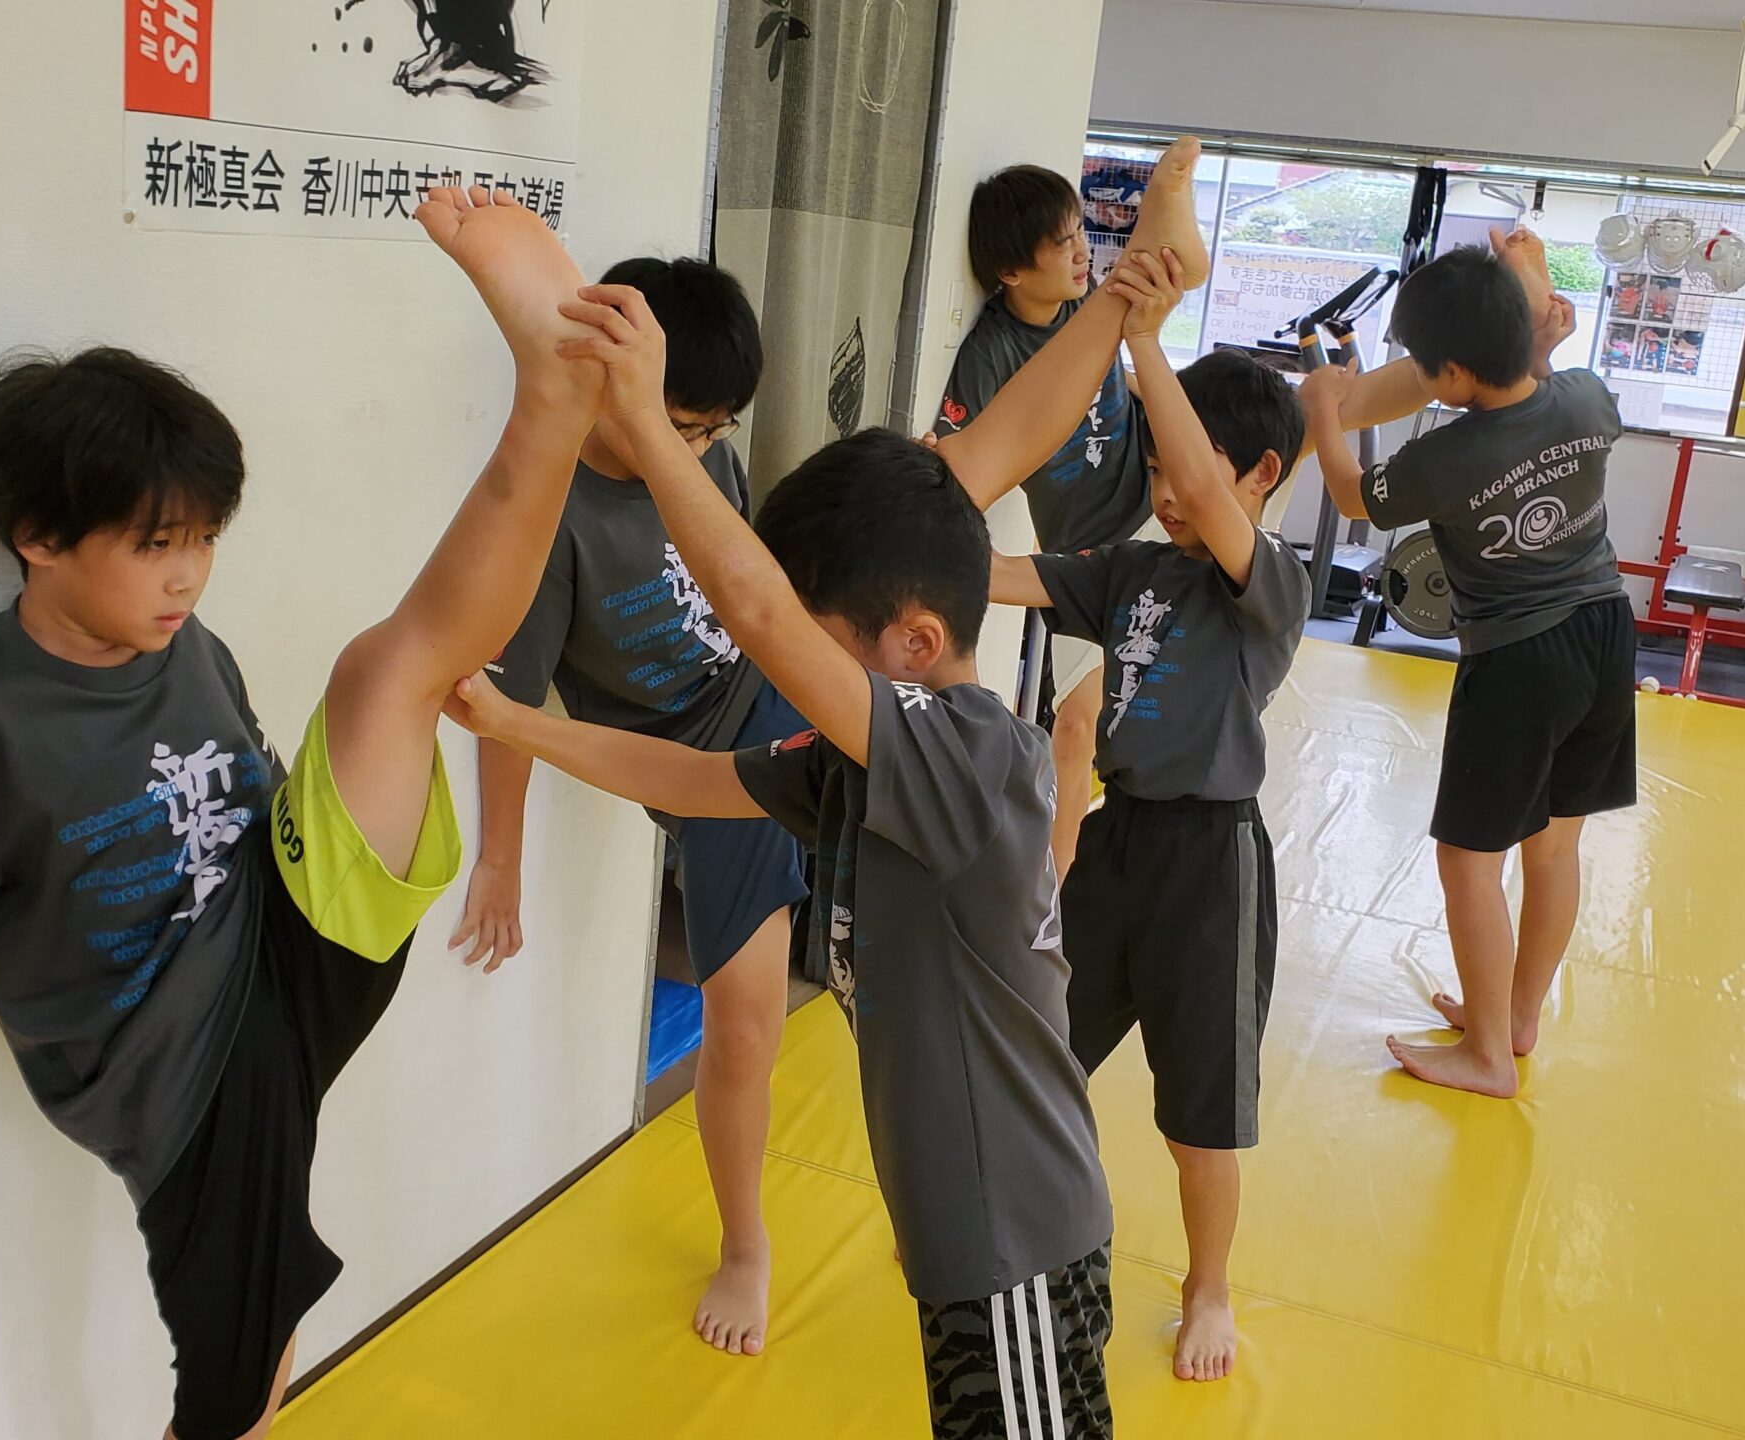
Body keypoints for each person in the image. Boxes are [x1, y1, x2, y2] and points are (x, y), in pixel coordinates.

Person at [0, 186, 606, 1440]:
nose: (188, 574)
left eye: (203, 539)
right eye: (153, 546)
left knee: (389, 672)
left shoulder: (189, 647)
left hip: (280, 941)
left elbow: (257, 791)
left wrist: (370, 783)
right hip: (174, 1071)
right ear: (38, 537)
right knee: (245, 1336)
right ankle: (554, 408)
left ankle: (552, 407)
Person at [442, 141, 1215, 1438]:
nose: (783, 647)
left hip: (1013, 1242)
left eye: (817, 634)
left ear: (907, 645)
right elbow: (687, 776)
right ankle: (1137, 290)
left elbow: (756, 606)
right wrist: (515, 720)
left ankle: (1136, 291)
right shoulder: (858, 764)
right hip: (969, 1239)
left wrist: (645, 426)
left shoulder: (960, 757)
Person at [457, 255, 803, 1357]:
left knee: (900, 945)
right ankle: (745, 1245)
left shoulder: (706, 458)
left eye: (711, 433)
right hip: (710, 769)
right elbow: (508, 702)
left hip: (789, 695)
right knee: (743, 1021)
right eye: (683, 426)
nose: (696, 450)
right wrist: (500, 860)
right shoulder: (552, 507)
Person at [987, 250, 1307, 1383]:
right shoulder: (1135, 570)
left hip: (1211, 864)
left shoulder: (1266, 584)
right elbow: (1010, 579)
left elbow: (1212, 508)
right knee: (1043, 1055)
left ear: (1259, 475)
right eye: (1156, 469)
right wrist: (911, 519)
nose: (1169, 492)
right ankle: (1014, 1230)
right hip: (1117, 846)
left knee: (1195, 1117)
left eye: (1188, 469)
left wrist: (1141, 339)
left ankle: (1207, 1283)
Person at [1298, 236, 1631, 1101]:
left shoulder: (1445, 460)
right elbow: (1542, 393)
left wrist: (1325, 409)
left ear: (1449, 375)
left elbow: (1351, 496)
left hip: (1521, 658)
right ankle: (1516, 1018)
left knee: (1467, 860)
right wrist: (1543, 344)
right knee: (1554, 847)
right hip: (1605, 631)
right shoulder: (1588, 397)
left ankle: (1487, 1057)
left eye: (1419, 362)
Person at [933, 161, 1194, 880]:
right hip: (1079, 561)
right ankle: (1055, 892)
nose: (1082, 252)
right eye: (1062, 242)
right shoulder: (991, 353)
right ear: (1012, 271)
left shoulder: (1093, 309)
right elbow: (959, 471)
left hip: (1156, 519)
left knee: (1157, 704)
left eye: (1082, 233)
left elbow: (1180, 273)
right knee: (1075, 729)